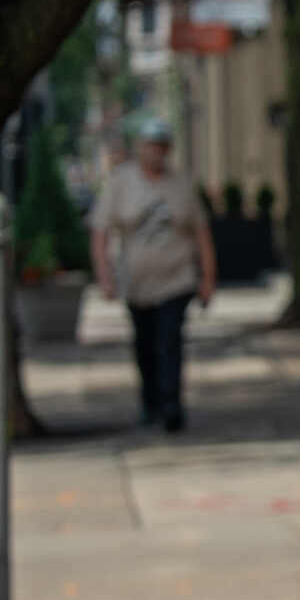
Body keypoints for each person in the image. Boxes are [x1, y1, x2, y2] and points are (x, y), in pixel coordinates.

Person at [89, 113, 212, 431]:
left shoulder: (182, 183)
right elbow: (101, 231)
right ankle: (150, 403)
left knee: (170, 341)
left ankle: (172, 406)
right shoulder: (120, 182)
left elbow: (201, 233)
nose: (156, 152)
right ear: (139, 148)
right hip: (138, 283)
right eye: (150, 146)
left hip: (177, 278)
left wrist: (208, 277)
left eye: (162, 146)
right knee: (145, 345)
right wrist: (104, 274)